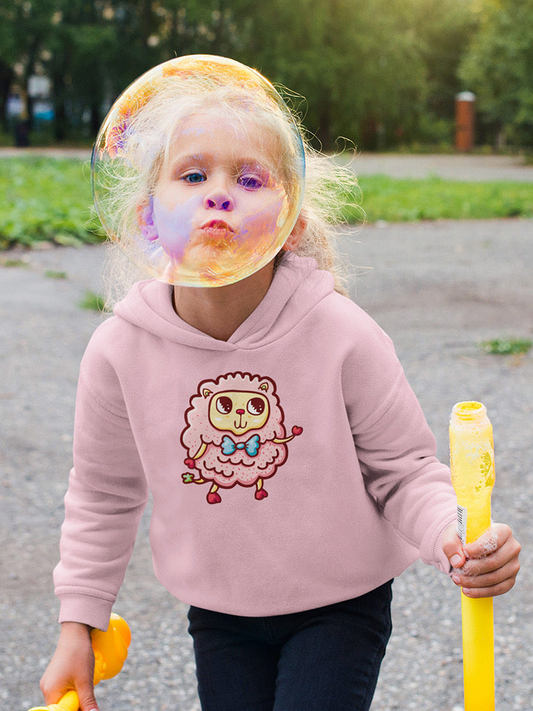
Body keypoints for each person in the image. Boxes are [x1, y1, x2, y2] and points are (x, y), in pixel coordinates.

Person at [39, 57, 520, 711]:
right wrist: (78, 624)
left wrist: (452, 537)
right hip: (220, 611)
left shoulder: (340, 333)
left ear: (291, 217)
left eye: (248, 177)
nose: (218, 193)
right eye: (192, 174)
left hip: (339, 605)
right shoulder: (120, 350)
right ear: (148, 215)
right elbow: (101, 495)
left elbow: (403, 469)